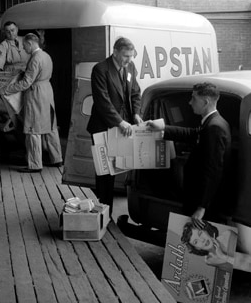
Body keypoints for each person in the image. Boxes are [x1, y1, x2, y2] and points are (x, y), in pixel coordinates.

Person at [147, 82, 231, 221]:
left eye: (194, 98)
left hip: (201, 202)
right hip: (197, 196)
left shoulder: (214, 128)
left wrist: (201, 207)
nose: (190, 102)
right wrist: (162, 128)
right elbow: (192, 134)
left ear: (205, 102)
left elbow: (213, 172)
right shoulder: (214, 122)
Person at [86, 37, 144, 211]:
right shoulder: (100, 69)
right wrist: (120, 122)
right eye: (126, 56)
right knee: (104, 173)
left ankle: (107, 211)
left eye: (131, 56)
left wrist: (136, 114)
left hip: (123, 128)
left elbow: (135, 93)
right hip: (103, 127)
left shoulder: (130, 67)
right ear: (115, 52)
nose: (129, 60)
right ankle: (104, 212)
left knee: (119, 168)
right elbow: (102, 101)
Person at [1, 32, 63, 173]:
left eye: (24, 46)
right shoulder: (46, 56)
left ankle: (35, 165)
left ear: (30, 43)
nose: (24, 49)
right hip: (47, 91)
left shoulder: (35, 59)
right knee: (50, 126)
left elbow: (26, 83)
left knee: (33, 129)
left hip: (36, 93)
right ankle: (57, 158)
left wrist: (7, 89)